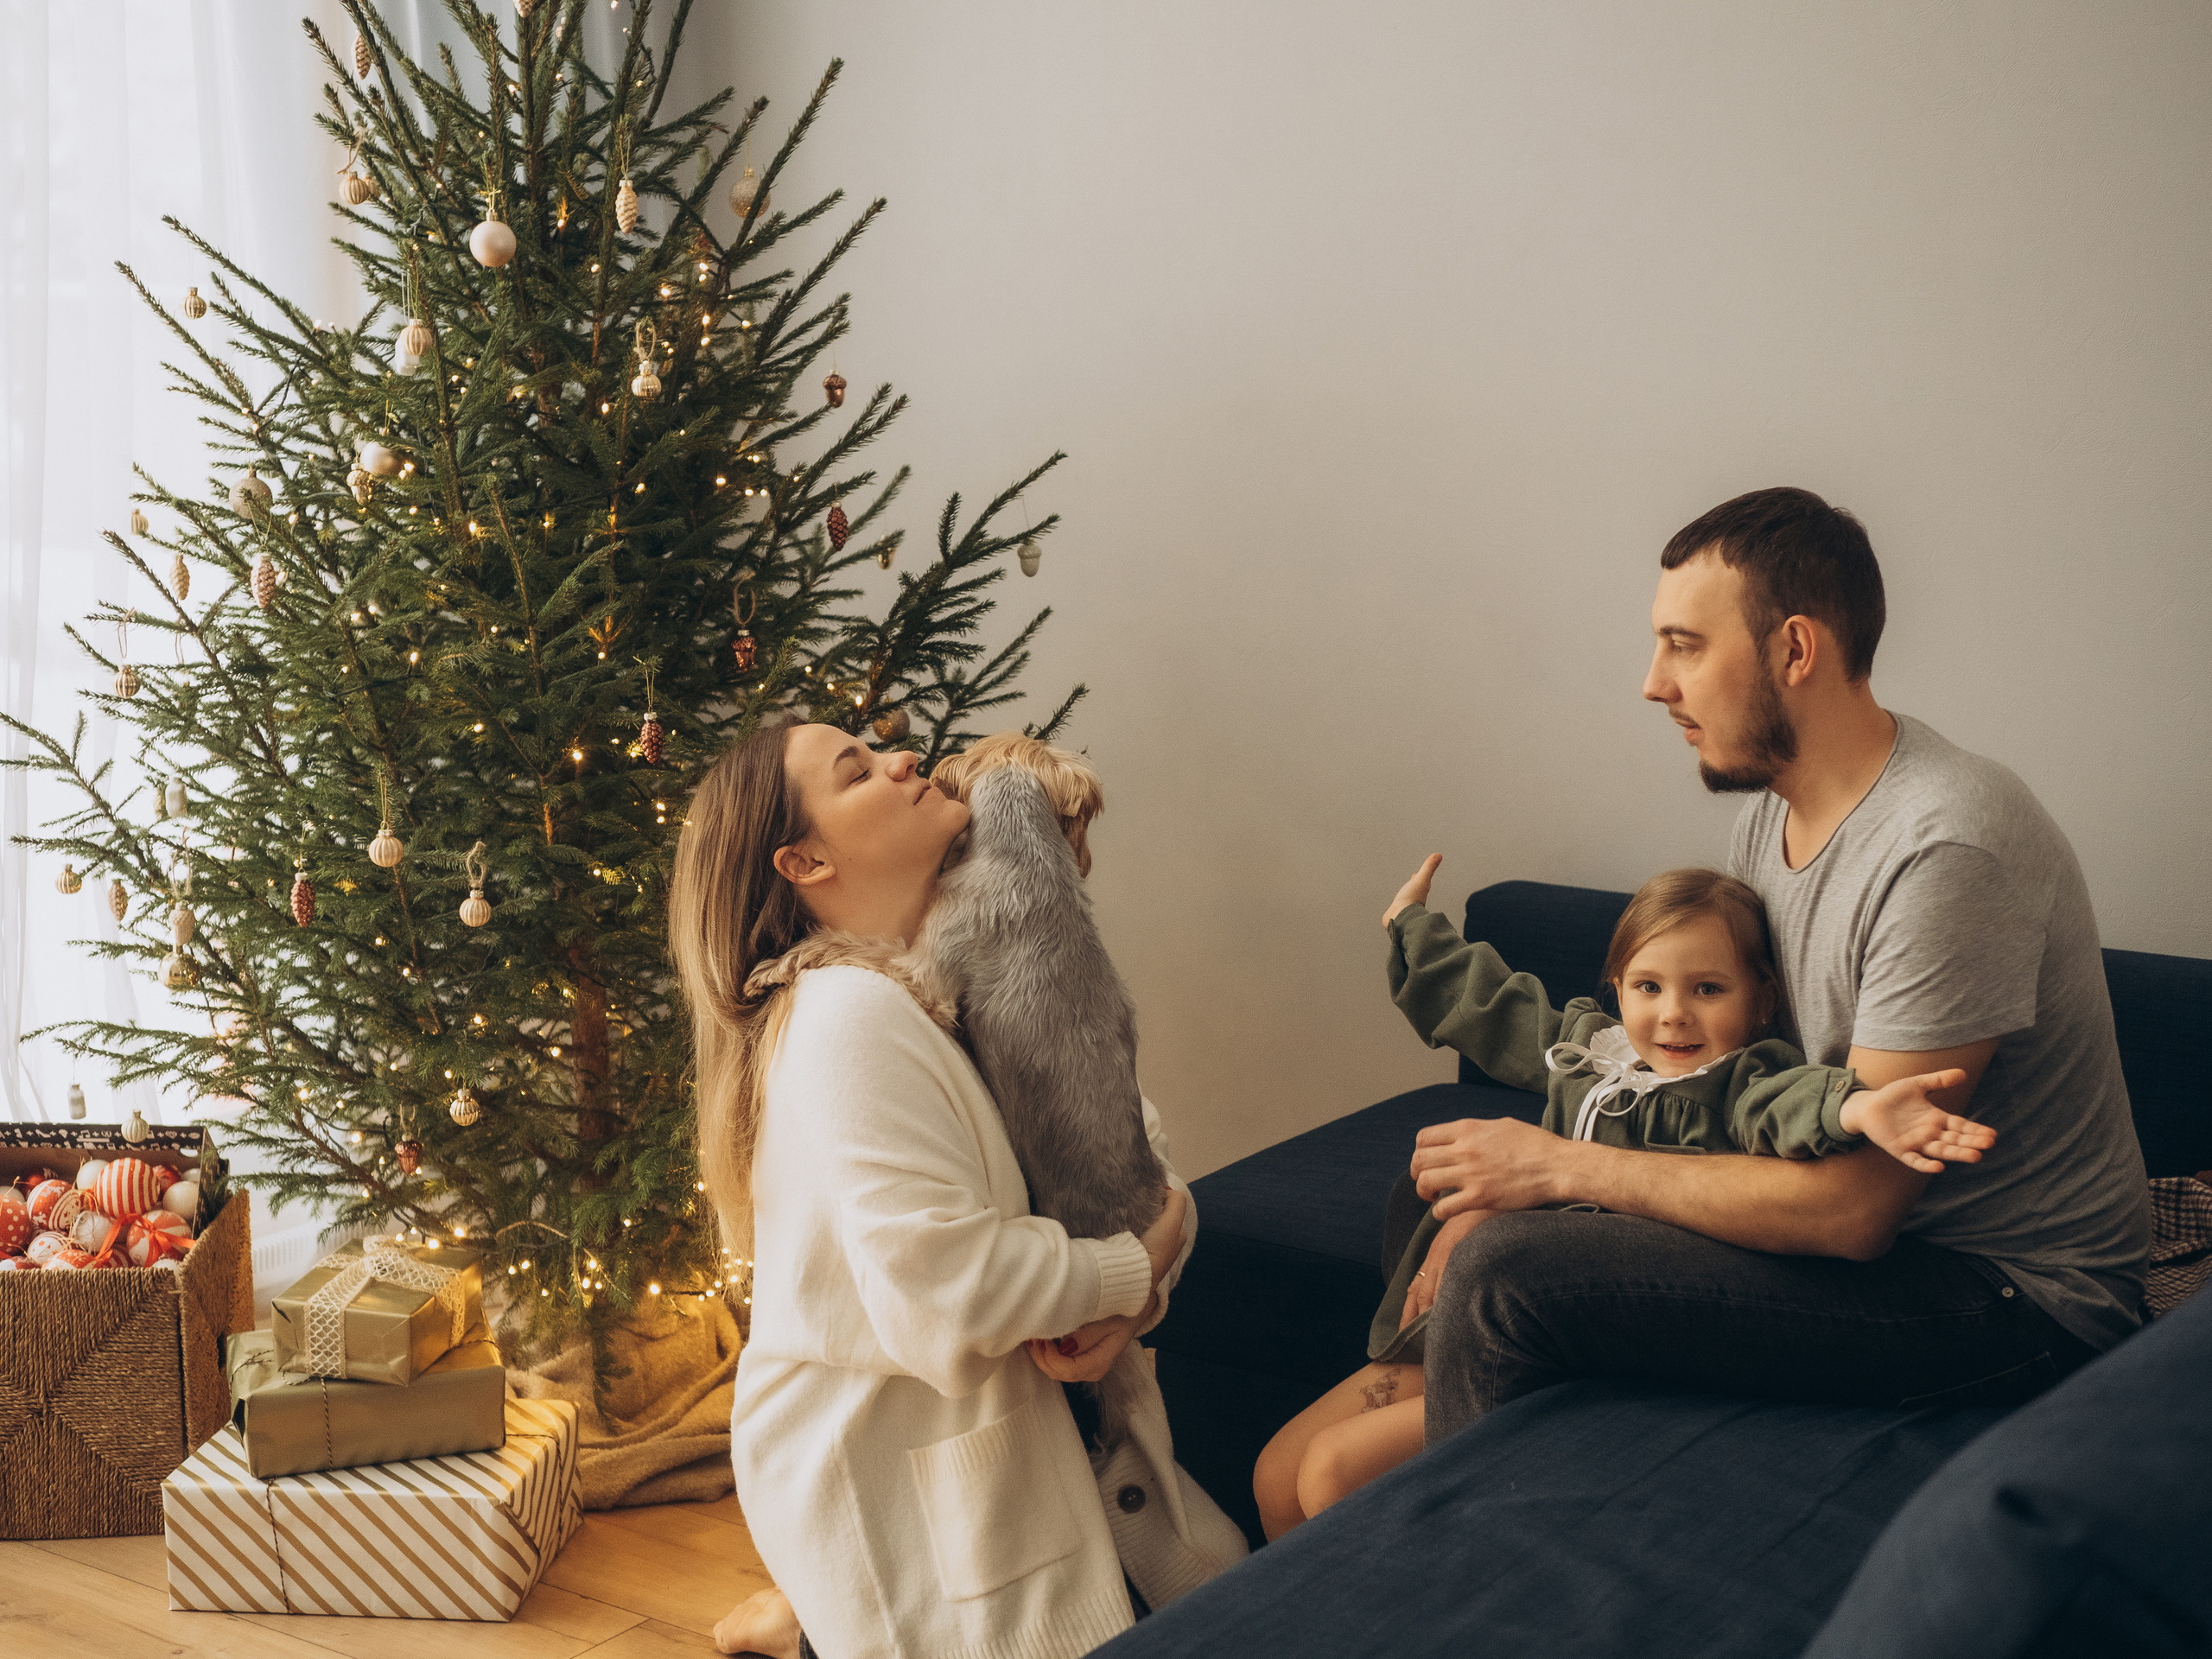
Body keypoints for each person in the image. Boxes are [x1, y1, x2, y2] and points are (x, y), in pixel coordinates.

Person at [1397, 486, 2152, 1446]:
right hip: (1872, 1240)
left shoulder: (1948, 846)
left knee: (1507, 1272)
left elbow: (1852, 1212)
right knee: (1456, 1208)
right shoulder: (1773, 810)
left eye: (1684, 645)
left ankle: (1457, 1557)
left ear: (1794, 650)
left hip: (2009, 1296)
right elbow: (1745, 1089)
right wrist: (1535, 1180)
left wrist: (1558, 1171)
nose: (1652, 683)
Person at [667, 718, 1243, 1659]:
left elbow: (1126, 1150)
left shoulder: (953, 981)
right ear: (804, 860)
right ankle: (807, 1627)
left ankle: (797, 1629)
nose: (905, 759)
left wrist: (1136, 1270)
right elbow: (950, 1289)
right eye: (857, 770)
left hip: (1044, 1453)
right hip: (915, 1502)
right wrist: (1133, 1270)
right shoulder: (845, 1020)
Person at [1254, 866, 1994, 1537]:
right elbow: (1498, 1010)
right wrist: (1410, 928)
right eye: (1649, 987)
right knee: (1276, 1477)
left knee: (1330, 1474)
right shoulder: (1594, 1053)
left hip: (1592, 1332)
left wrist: (1862, 1112)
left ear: (1762, 998)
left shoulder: (1739, 1082)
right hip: (1486, 1312)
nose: (1673, 1015)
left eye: (1707, 989)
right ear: (1617, 986)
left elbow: (1796, 1102)